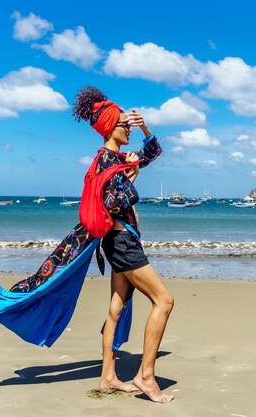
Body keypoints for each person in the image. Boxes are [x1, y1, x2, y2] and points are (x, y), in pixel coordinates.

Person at [72, 86, 174, 403]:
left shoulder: (114, 159)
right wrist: (130, 174)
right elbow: (113, 203)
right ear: (109, 127)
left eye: (130, 125)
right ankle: (145, 376)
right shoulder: (107, 161)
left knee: (115, 310)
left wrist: (145, 128)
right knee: (164, 301)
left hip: (120, 242)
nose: (128, 128)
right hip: (123, 242)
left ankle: (107, 378)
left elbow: (154, 152)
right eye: (125, 124)